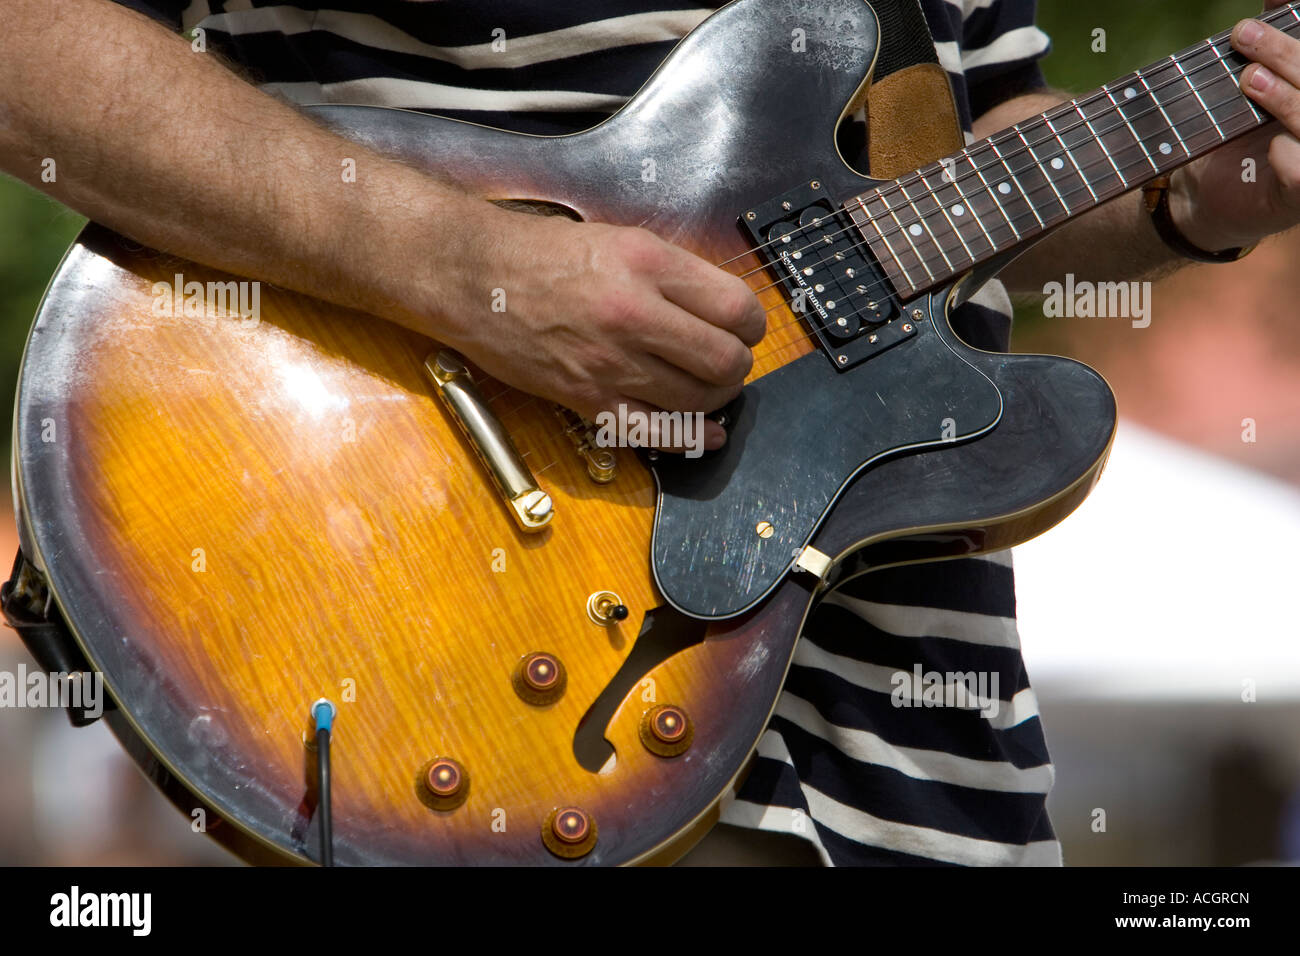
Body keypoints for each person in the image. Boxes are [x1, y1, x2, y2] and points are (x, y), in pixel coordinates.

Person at [4, 0, 1300, 865]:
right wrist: (472, 271)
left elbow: (943, 138)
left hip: (923, 787)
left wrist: (1196, 184)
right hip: (438, 643)